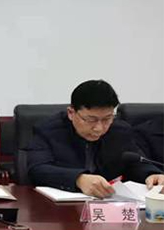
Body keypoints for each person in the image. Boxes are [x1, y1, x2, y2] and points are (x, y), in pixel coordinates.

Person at [27, 80, 164, 198]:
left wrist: (151, 174)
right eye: (91, 120)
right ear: (71, 113)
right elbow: (37, 169)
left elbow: (135, 162)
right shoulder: (48, 130)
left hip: (109, 205)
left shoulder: (120, 131)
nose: (99, 128)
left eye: (107, 119)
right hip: (62, 209)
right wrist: (78, 179)